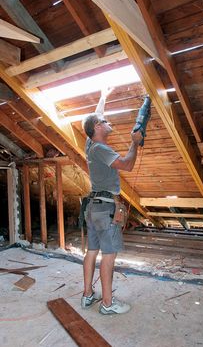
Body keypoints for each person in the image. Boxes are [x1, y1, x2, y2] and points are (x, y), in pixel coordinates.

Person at [81, 87, 143, 315]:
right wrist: (134, 143)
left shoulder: (90, 144)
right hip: (106, 208)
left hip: (93, 207)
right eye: (105, 122)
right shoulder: (101, 148)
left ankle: (88, 295)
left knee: (92, 251)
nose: (109, 123)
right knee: (109, 255)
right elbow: (127, 164)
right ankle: (107, 304)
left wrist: (103, 97)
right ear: (97, 127)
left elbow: (95, 116)